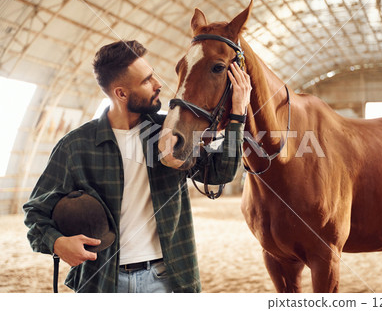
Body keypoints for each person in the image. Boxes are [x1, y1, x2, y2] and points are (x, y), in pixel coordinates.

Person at [23, 40, 251, 293]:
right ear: (121, 93)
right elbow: (35, 212)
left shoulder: (172, 133)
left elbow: (221, 173)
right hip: (103, 282)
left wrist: (237, 115)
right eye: (147, 81)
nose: (158, 84)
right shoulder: (75, 146)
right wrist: (57, 243)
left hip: (169, 279)